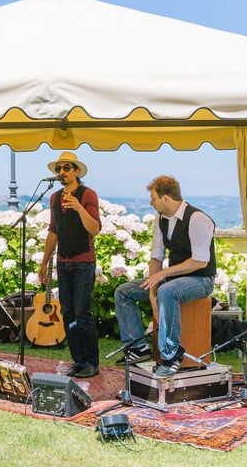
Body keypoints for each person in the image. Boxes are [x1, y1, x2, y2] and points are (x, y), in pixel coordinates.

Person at [114, 175, 216, 377]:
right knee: (123, 292)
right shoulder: (160, 220)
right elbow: (156, 258)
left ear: (166, 198)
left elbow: (200, 261)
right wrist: (152, 294)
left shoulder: (198, 219)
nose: (151, 202)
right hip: (171, 281)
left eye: (153, 198)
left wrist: (163, 276)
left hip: (201, 280)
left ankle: (171, 356)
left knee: (167, 291)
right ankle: (138, 348)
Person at [39, 152, 102, 378]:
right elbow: (53, 230)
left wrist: (78, 207)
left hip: (83, 262)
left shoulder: (88, 194)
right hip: (62, 262)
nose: (62, 172)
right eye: (59, 169)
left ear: (76, 171)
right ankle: (78, 360)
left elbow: (94, 228)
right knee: (68, 313)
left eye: (66, 168)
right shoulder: (54, 197)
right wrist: (45, 263)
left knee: (82, 313)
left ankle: (91, 362)